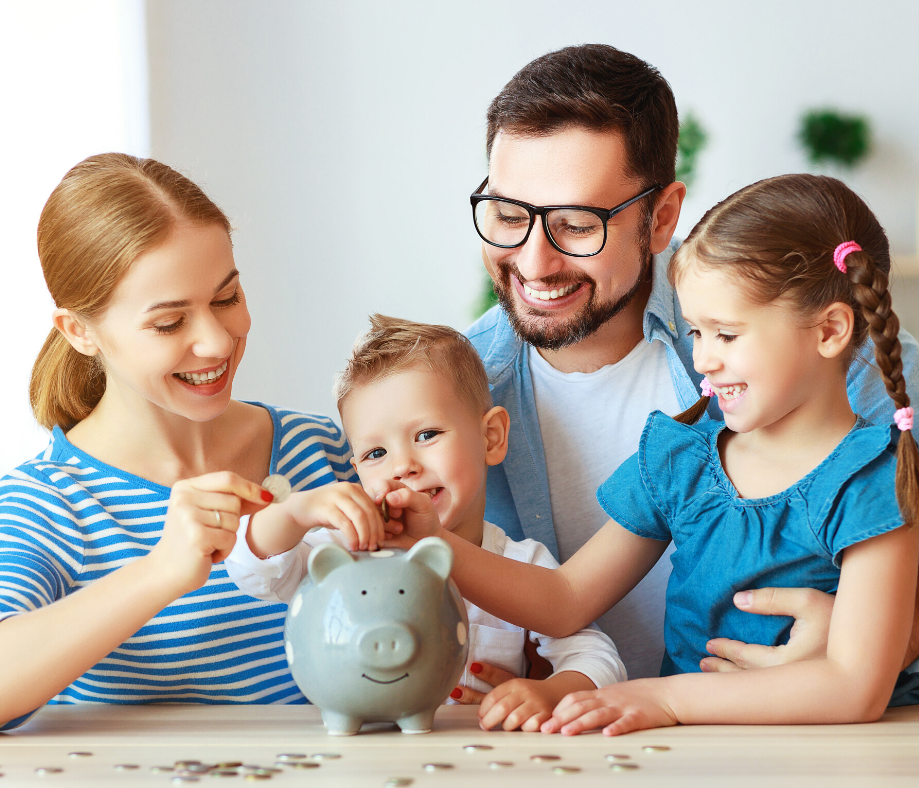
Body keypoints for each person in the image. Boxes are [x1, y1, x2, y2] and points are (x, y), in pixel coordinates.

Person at [387, 173, 919, 735]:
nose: (705, 360)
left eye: (727, 334)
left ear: (830, 330)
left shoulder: (874, 476)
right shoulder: (681, 460)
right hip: (688, 758)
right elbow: (565, 600)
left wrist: (666, 701)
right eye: (695, 332)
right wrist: (430, 538)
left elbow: (855, 687)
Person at [465, 43, 919, 680]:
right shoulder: (451, 392)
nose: (535, 263)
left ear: (662, 217)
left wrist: (883, 638)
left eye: (575, 224)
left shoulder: (812, 351)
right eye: (509, 216)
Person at [0, 153, 388, 732]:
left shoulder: (323, 449)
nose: (218, 342)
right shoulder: (47, 502)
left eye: (226, 298)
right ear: (80, 331)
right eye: (170, 323)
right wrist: (161, 570)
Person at [226, 314, 627, 732]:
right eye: (375, 454)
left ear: (491, 437)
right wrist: (295, 510)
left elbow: (596, 656)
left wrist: (546, 692)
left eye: (426, 435)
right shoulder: (347, 551)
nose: (402, 466)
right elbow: (252, 568)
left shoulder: (521, 564)